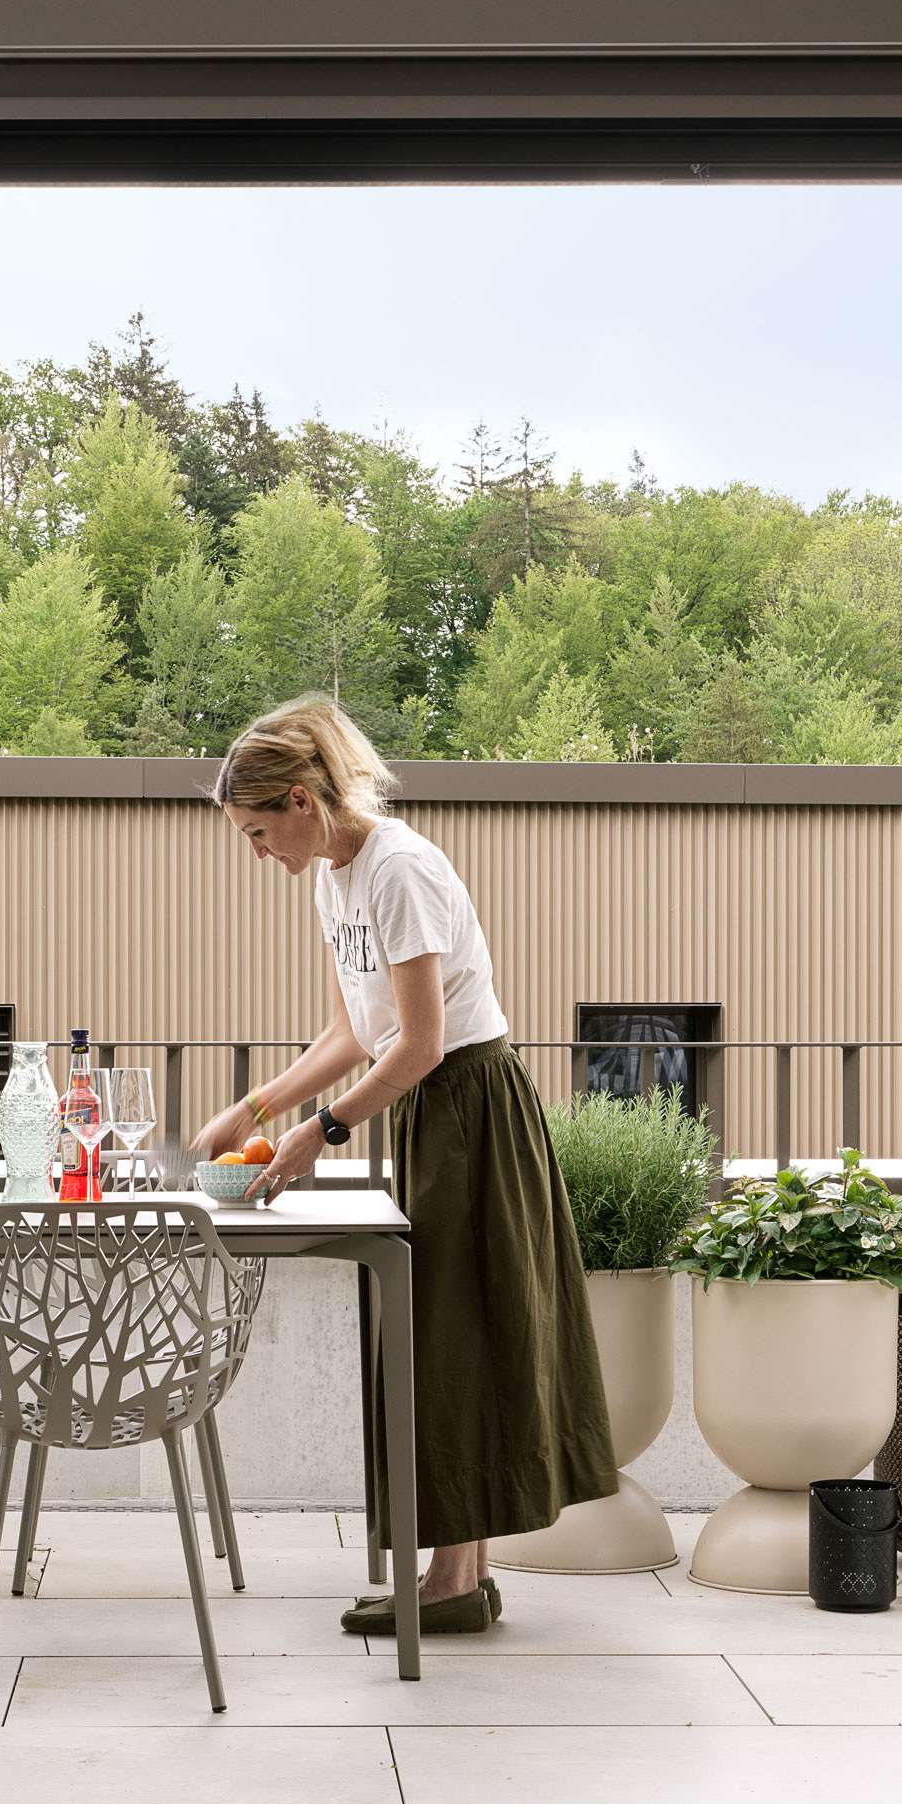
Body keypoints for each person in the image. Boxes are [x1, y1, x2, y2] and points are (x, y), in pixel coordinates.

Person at [188, 695, 617, 1636]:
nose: (257, 852)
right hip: (425, 1109)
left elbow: (420, 1041)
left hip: (469, 1105)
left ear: (301, 800)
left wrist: (319, 1132)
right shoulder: (331, 879)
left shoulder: (400, 869)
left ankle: (453, 1581)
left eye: (259, 831)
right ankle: (456, 1578)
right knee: (442, 1335)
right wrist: (253, 1108)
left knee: (458, 1334)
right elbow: (352, 1033)